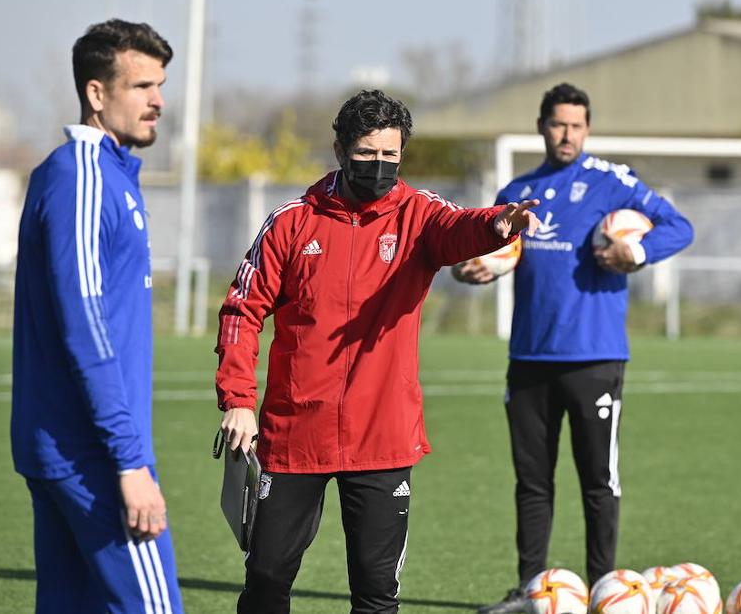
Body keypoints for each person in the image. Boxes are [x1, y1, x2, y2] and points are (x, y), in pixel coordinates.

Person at [215, 89, 541, 614]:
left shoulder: (418, 216)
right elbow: (241, 310)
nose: (379, 166)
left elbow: (459, 226)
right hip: (295, 434)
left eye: (391, 156)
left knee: (376, 595)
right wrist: (236, 398)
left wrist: (496, 224)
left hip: (383, 436)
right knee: (266, 582)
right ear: (341, 150)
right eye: (367, 155)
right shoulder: (290, 223)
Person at [454, 83, 694, 613]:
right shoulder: (517, 191)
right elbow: (495, 251)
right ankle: (529, 592)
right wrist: (479, 267)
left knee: (598, 482)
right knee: (532, 483)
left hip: (595, 358)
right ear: (542, 125)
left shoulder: (611, 183)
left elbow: (681, 227)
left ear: (587, 129)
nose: (568, 134)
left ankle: (606, 592)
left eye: (577, 126)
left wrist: (637, 251)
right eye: (559, 124)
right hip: (529, 361)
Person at [11, 19, 182, 613]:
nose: (158, 100)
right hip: (94, 456)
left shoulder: (106, 175)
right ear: (96, 93)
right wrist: (128, 461)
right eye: (140, 86)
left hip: (75, 449)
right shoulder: (81, 177)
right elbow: (86, 326)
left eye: (160, 84)